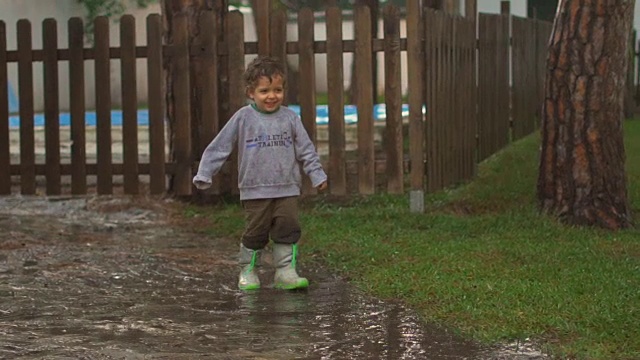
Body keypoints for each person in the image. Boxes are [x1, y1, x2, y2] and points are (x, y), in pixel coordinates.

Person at [193, 56, 328, 291]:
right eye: (264, 90)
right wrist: (205, 172)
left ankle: (285, 272)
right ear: (250, 93)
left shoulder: (290, 118)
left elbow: (306, 149)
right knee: (256, 232)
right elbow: (220, 145)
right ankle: (248, 270)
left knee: (288, 227)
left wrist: (316, 175)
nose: (271, 96)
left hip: (287, 187)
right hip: (255, 189)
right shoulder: (243, 118)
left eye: (277, 90)